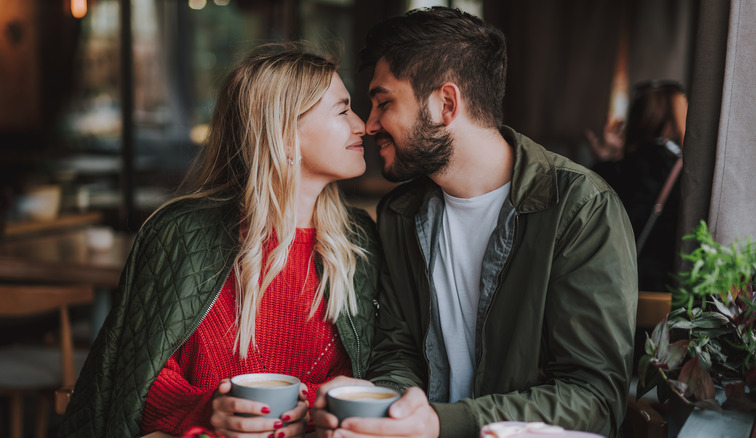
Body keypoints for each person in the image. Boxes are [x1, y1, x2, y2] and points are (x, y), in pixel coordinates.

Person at [311, 7, 637, 438]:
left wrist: (441, 424)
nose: (370, 125)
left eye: (383, 103)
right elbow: (398, 352)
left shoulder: (580, 208)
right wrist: (386, 408)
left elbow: (594, 398)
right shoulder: (400, 214)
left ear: (446, 104)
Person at [59, 42, 381, 438]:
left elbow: (369, 372)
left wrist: (305, 409)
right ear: (283, 135)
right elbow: (139, 379)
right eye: (343, 109)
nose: (361, 125)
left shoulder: (359, 238)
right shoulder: (180, 233)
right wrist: (208, 409)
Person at [594, 80, 687, 292]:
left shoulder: (617, 169)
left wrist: (607, 160)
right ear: (676, 120)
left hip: (614, 285)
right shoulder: (687, 173)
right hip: (668, 289)